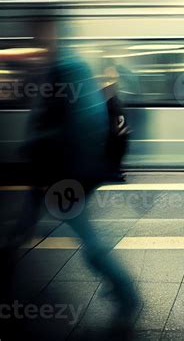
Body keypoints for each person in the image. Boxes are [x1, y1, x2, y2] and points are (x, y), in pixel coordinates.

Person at [22, 20, 140, 332]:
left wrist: (35, 147)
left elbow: (61, 122)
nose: (36, 39)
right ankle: (121, 287)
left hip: (65, 170)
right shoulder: (72, 64)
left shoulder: (64, 67)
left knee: (86, 234)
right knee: (44, 225)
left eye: (38, 32)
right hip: (67, 168)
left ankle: (126, 290)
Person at [102, 63, 130, 182]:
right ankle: (113, 171)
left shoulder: (113, 91)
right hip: (113, 129)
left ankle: (115, 170)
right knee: (114, 147)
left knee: (117, 147)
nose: (115, 76)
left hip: (117, 127)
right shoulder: (107, 91)